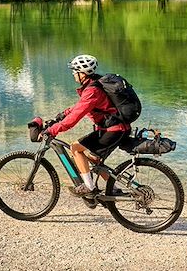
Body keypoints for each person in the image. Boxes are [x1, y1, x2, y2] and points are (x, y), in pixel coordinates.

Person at [43, 54, 129, 197]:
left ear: (82, 73)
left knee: (76, 148)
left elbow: (74, 118)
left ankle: (89, 188)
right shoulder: (94, 85)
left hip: (113, 130)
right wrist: (62, 114)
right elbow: (80, 107)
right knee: (95, 161)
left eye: (75, 71)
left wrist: (53, 130)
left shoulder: (91, 90)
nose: (73, 74)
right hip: (116, 129)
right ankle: (113, 189)